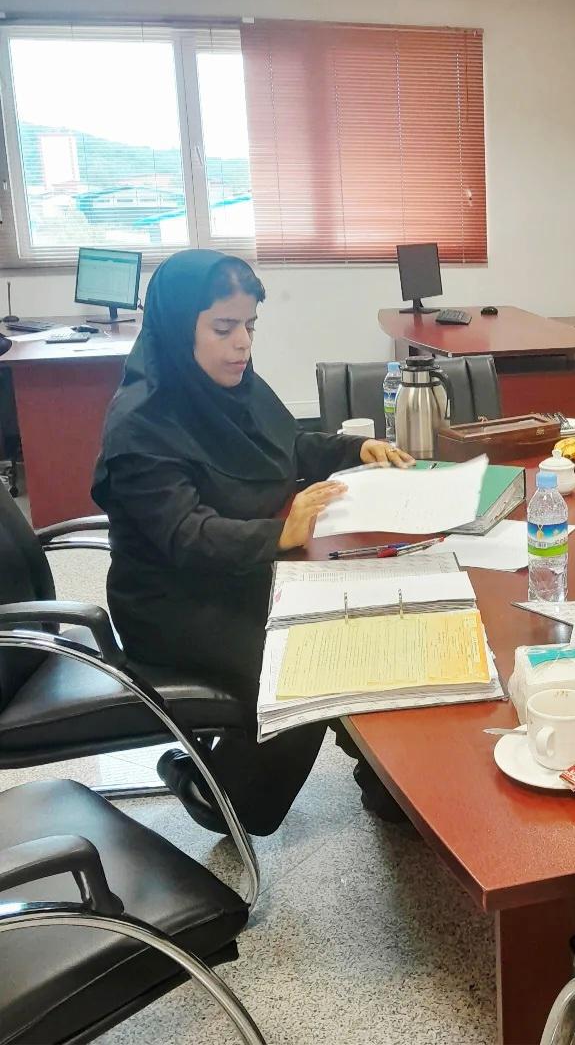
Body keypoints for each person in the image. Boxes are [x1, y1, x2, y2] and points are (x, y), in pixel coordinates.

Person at [92, 249, 413, 835]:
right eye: (223, 328)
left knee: (361, 619)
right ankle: (224, 799)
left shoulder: (230, 385)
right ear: (177, 327)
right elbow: (187, 535)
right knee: (309, 664)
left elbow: (282, 446)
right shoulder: (142, 423)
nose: (242, 344)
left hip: (242, 569)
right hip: (175, 603)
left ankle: (385, 776)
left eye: (249, 326)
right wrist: (281, 531)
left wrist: (351, 449)